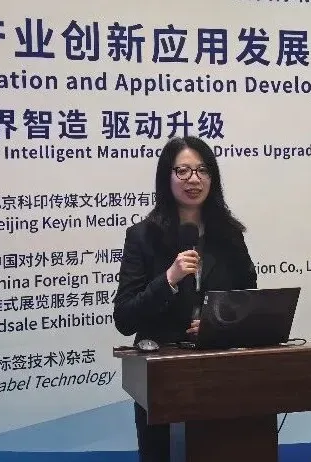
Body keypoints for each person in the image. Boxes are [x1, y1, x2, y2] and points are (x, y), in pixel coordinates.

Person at [112, 135, 258, 462]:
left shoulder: (229, 236)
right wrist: (169, 279)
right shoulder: (142, 237)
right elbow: (125, 318)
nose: (194, 179)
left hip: (224, 377)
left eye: (203, 170)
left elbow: (248, 301)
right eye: (183, 171)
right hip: (164, 382)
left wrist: (216, 323)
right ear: (166, 178)